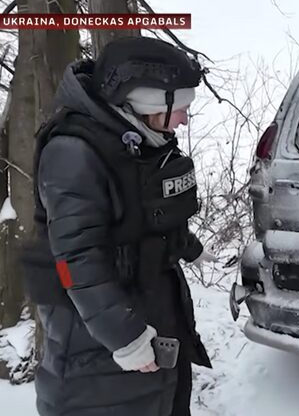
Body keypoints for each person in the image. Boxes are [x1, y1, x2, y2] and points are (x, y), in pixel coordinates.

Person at [19, 36, 213, 416]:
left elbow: (145, 212)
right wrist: (125, 337)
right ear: (145, 103)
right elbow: (75, 260)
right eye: (180, 107)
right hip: (97, 354)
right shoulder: (73, 153)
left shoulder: (140, 138)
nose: (184, 119)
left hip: (153, 326)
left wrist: (186, 245)